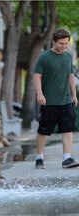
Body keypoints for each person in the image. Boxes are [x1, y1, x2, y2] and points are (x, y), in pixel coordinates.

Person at [33, 28, 78, 169]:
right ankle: (39, 158)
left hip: (66, 100)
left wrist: (74, 95)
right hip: (49, 100)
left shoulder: (68, 56)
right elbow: (37, 76)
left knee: (68, 129)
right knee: (43, 131)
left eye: (66, 43)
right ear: (53, 41)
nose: (64, 46)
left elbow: (71, 76)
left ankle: (67, 158)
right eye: (61, 43)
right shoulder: (44, 57)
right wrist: (40, 94)